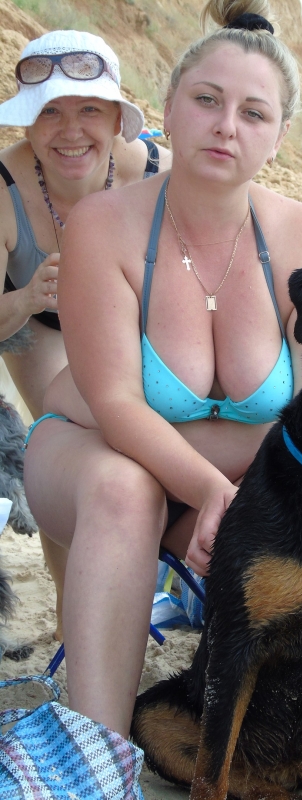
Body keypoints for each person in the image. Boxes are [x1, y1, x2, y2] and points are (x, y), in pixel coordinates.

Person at [23, 0, 302, 739]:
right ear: (168, 110)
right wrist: (209, 487)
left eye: (253, 113)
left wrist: (236, 490)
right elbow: (116, 404)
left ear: (279, 137)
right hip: (91, 452)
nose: (227, 126)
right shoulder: (105, 225)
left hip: (237, 479)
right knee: (124, 488)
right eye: (207, 100)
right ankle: (98, 754)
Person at [0, 29, 172, 640]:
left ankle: (158, 574)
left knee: (150, 432)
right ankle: (70, 606)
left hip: (137, 314)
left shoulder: (158, 172)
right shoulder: (3, 190)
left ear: (118, 119)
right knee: (62, 436)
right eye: (50, 112)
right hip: (36, 322)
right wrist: (28, 296)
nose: (70, 131)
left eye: (90, 110)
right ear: (27, 122)